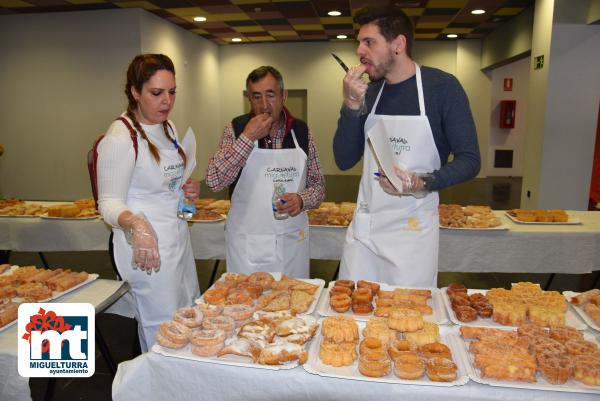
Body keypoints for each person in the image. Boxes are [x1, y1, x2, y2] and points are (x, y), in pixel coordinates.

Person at [333, 5, 481, 287]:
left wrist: (422, 182)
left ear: (398, 44)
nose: (360, 51)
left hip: (411, 235)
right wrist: (351, 106)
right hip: (366, 232)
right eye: (359, 42)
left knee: (408, 319)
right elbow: (343, 159)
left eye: (369, 42)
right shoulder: (370, 93)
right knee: (353, 315)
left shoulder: (442, 88)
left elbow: (470, 159)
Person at [97, 54, 200, 352]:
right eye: (157, 93)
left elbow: (166, 183)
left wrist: (184, 189)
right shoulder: (121, 137)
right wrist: (136, 223)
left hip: (177, 239)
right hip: (145, 248)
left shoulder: (168, 128)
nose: (167, 101)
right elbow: (108, 202)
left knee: (186, 313)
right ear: (135, 92)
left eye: (172, 92)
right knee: (161, 327)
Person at [206, 66, 325, 278]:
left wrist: (302, 199)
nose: (264, 105)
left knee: (294, 304)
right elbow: (214, 180)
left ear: (283, 96)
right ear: (249, 99)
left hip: (291, 245)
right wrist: (247, 138)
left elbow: (318, 186)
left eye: (270, 95)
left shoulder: (301, 131)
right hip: (248, 245)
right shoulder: (236, 128)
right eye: (256, 97)